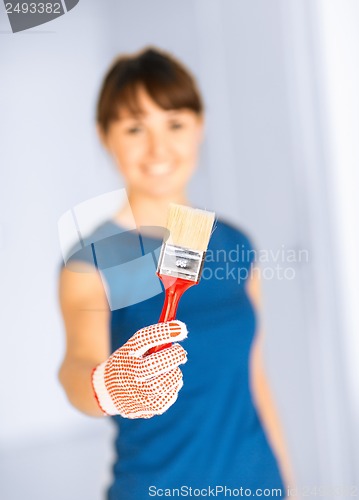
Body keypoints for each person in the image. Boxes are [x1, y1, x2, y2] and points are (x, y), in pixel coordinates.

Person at [58, 47, 293, 499]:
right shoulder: (91, 261)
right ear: (105, 135)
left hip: (257, 483)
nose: (158, 148)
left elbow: (254, 377)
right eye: (134, 128)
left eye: (175, 123)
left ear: (199, 127)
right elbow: (74, 367)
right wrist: (108, 385)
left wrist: (288, 483)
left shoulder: (236, 245)